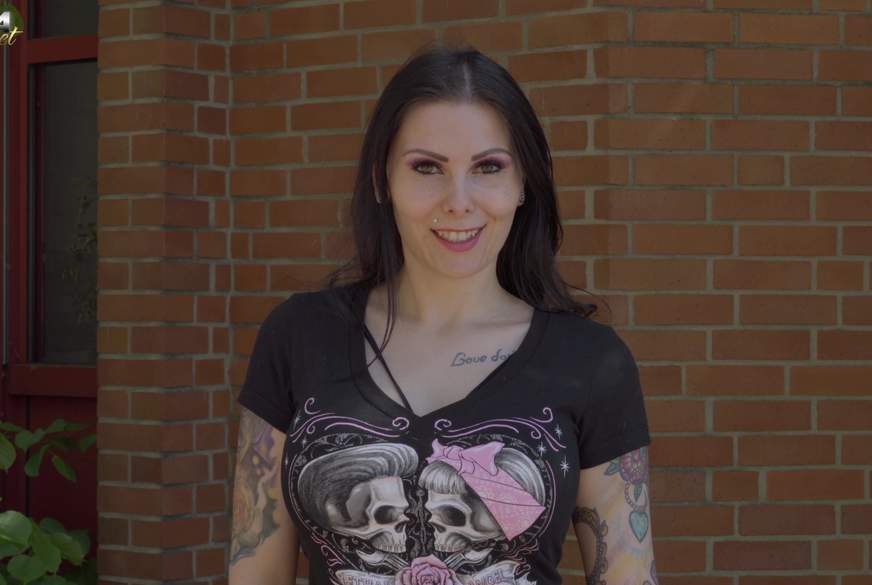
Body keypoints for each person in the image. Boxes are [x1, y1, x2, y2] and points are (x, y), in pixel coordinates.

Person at [229, 39, 656, 585]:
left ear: (522, 184)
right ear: (383, 179)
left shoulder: (592, 363)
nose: (459, 200)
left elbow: (628, 575)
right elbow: (255, 572)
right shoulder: (297, 337)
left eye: (488, 166)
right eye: (427, 167)